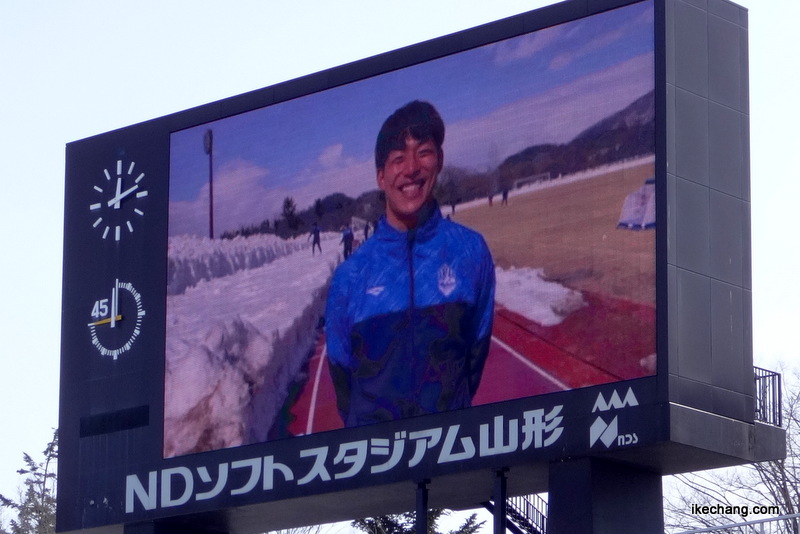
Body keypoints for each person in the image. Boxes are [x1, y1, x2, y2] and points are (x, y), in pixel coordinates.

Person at [325, 100, 495, 428]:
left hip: (452, 452)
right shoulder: (350, 276)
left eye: (424, 152)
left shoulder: (471, 252)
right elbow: (342, 379)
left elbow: (475, 356)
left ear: (440, 160)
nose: (412, 169)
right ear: (380, 176)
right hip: (377, 461)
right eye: (397, 159)